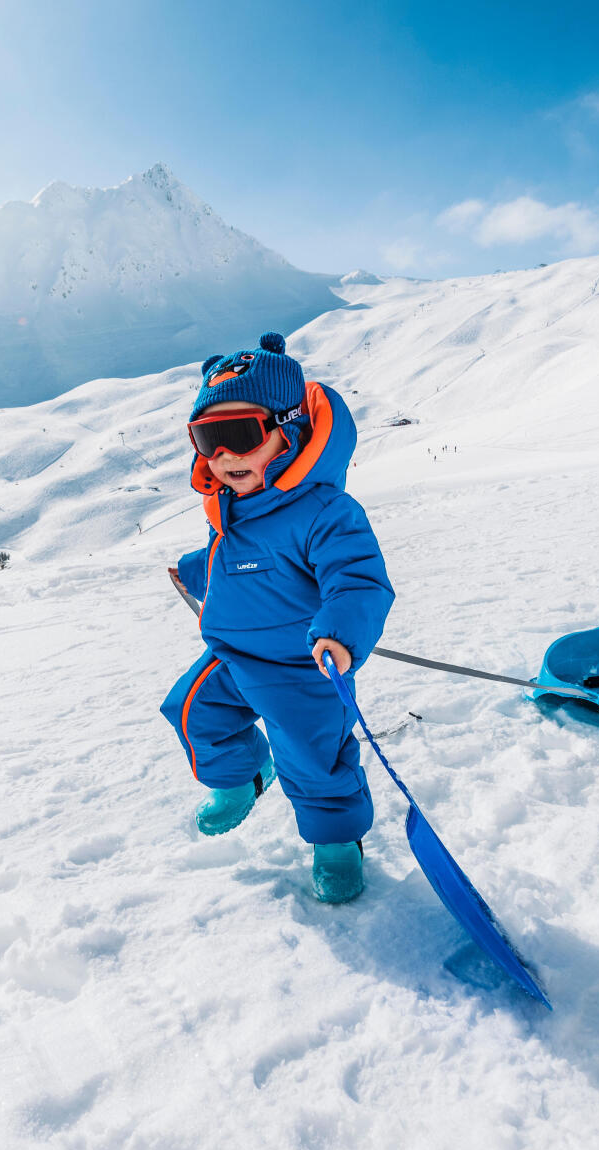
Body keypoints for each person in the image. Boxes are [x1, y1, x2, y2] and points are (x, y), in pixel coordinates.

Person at [161, 332, 394, 904]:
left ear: (289, 432)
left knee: (315, 762)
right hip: (233, 659)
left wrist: (339, 636)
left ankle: (337, 844)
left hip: (301, 670)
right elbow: (236, 563)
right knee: (192, 713)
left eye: (239, 434)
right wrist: (194, 571)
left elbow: (358, 581)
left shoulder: (325, 512)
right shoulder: (233, 508)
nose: (223, 456)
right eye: (206, 439)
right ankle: (244, 777)